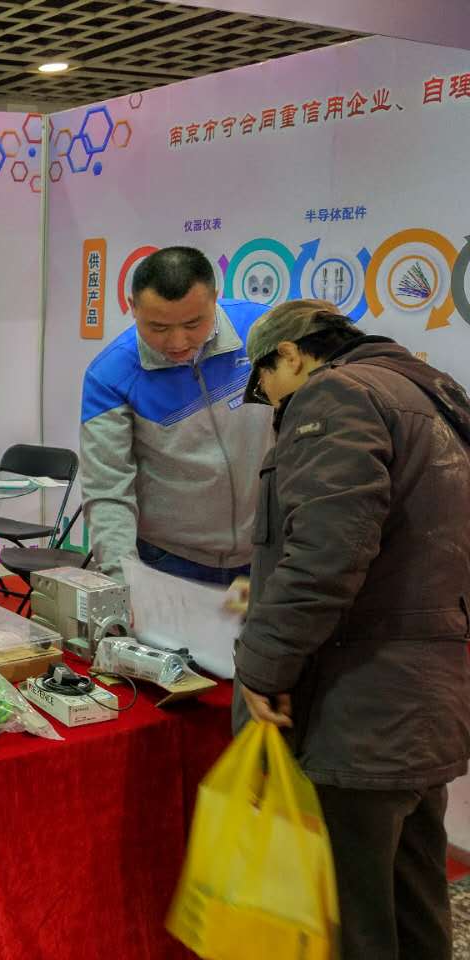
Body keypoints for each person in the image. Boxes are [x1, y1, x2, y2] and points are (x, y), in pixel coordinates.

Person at [233, 299, 470, 960]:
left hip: (358, 708)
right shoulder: (432, 396)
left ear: (288, 354)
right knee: (414, 902)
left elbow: (327, 555)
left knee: (350, 920)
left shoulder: (335, 396)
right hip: (426, 699)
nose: (270, 400)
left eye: (264, 383)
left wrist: (261, 668)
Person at [80, 246, 271, 584]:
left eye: (193, 323)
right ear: (132, 307)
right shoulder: (110, 375)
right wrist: (123, 581)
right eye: (158, 327)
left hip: (265, 550)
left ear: (215, 297)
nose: (178, 342)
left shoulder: (263, 333)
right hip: (171, 560)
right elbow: (108, 492)